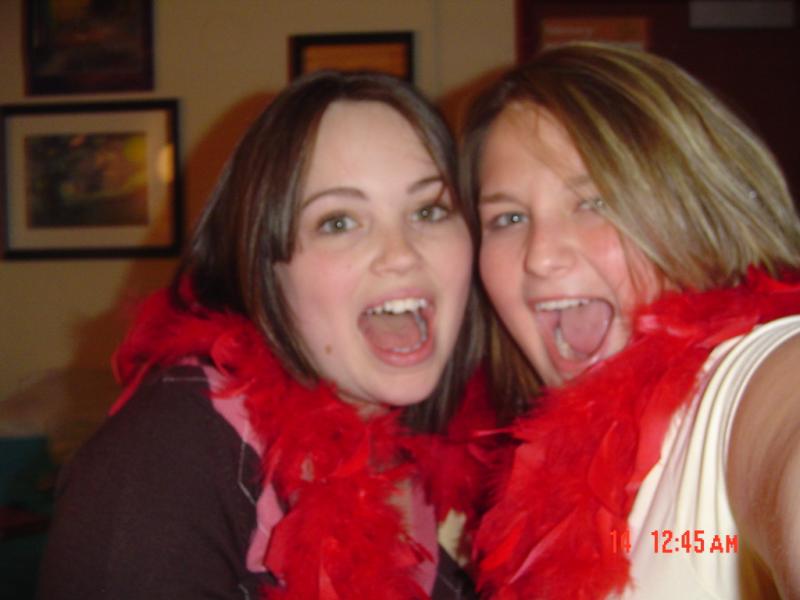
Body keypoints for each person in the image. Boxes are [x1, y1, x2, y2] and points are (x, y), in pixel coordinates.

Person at [38, 70, 492, 599]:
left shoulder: (462, 438)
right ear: (262, 267)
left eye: (430, 210)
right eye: (339, 222)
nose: (402, 254)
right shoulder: (170, 451)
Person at [461, 42, 800, 599]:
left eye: (594, 202)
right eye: (509, 218)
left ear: (695, 210)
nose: (541, 256)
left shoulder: (739, 383)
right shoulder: (529, 470)